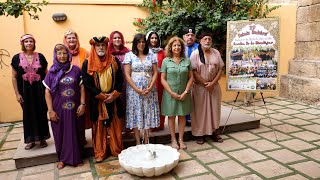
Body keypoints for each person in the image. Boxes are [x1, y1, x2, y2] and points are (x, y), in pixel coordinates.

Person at [82, 36, 124, 163]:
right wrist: (101, 96)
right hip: (97, 100)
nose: (101, 48)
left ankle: (116, 150)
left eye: (103, 45)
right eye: (98, 45)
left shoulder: (114, 60)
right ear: (94, 47)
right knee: (99, 127)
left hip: (113, 99)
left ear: (107, 47)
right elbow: (87, 83)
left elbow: (120, 79)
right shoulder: (87, 63)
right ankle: (100, 152)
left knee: (115, 125)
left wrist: (114, 94)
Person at [43, 44, 85, 169]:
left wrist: (83, 104)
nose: (62, 56)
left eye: (64, 53)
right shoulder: (52, 71)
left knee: (75, 132)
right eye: (59, 54)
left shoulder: (76, 69)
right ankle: (62, 159)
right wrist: (50, 111)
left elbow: (82, 87)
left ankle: (77, 157)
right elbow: (47, 92)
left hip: (75, 109)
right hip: (58, 109)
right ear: (55, 56)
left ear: (69, 55)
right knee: (60, 133)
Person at [11, 34, 50, 150]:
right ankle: (31, 140)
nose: (29, 43)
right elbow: (13, 77)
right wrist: (17, 94)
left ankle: (42, 138)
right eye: (26, 41)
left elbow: (47, 75)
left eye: (31, 41)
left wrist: (48, 92)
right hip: (25, 93)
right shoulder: (16, 58)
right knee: (28, 115)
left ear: (34, 43)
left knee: (41, 113)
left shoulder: (40, 57)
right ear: (22, 44)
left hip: (40, 92)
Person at [123, 33, 160, 145]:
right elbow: (127, 75)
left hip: (149, 90)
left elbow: (155, 73)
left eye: (143, 41)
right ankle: (138, 142)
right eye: (139, 42)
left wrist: (150, 87)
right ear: (135, 43)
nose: (141, 44)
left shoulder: (151, 54)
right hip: (134, 91)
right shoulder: (129, 55)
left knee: (147, 112)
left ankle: (147, 140)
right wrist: (137, 89)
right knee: (136, 113)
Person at [190, 32, 224, 144]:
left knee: (214, 109)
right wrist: (205, 83)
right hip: (200, 88)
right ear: (200, 41)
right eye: (205, 39)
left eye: (209, 39)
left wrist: (213, 83)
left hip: (214, 87)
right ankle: (200, 134)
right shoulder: (195, 54)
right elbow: (193, 71)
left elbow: (220, 69)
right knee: (200, 111)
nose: (207, 41)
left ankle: (214, 132)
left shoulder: (216, 53)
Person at [161, 36, 193, 150]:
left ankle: (181, 139)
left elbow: (191, 78)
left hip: (183, 93)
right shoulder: (165, 61)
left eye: (179, 45)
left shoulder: (187, 60)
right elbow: (162, 79)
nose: (176, 47)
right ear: (170, 47)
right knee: (171, 116)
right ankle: (173, 139)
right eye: (174, 45)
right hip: (170, 94)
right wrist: (171, 92)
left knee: (182, 115)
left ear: (182, 47)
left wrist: (186, 91)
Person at [63, 29, 89, 147]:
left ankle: (81, 138)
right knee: (70, 114)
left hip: (83, 87)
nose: (71, 40)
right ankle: (71, 140)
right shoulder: (62, 53)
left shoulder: (84, 52)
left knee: (81, 114)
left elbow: (90, 67)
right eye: (69, 38)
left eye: (73, 38)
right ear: (65, 40)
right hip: (67, 89)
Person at [108, 31, 130, 133]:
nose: (117, 40)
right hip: (113, 83)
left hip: (127, 82)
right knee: (116, 105)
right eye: (115, 38)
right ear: (111, 40)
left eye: (119, 38)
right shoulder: (108, 52)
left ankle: (127, 128)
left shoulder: (128, 52)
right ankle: (116, 129)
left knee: (126, 104)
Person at [146, 31, 166, 131]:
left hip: (160, 80)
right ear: (148, 39)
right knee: (150, 102)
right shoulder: (144, 51)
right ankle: (151, 124)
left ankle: (160, 124)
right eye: (152, 38)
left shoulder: (162, 52)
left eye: (155, 38)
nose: (154, 40)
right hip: (149, 80)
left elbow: (165, 66)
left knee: (160, 101)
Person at [182, 27, 199, 126]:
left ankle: (196, 119)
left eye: (192, 35)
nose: (190, 37)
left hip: (197, 79)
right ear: (183, 37)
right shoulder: (179, 47)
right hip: (184, 79)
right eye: (187, 35)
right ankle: (185, 119)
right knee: (185, 98)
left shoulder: (199, 47)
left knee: (196, 99)